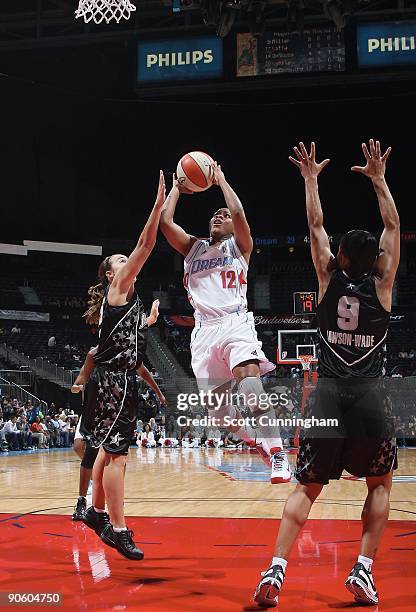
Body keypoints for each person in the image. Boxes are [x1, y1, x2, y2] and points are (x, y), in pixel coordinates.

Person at [254, 140, 400, 608]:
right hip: (371, 399)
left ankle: (275, 571)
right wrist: (378, 179)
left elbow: (315, 224)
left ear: (338, 258)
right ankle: (363, 569)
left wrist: (311, 179)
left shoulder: (325, 280)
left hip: (328, 399)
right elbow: (393, 225)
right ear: (374, 259)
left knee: (305, 488)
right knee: (380, 485)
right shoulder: (383, 287)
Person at [160, 167, 290, 483]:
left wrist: (219, 181)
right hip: (203, 332)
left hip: (234, 323)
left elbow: (238, 211)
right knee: (221, 417)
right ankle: (255, 439)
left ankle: (278, 455)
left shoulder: (240, 247)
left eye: (224, 215)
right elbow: (165, 222)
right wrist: (178, 187)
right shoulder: (194, 248)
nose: (219, 217)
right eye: (215, 215)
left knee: (250, 386)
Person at [78, 171, 165, 561]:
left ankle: (95, 513)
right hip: (115, 381)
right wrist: (160, 203)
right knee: (117, 456)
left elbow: (124, 338)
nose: (127, 260)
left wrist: (148, 321)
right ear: (112, 273)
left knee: (105, 452)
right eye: (120, 259)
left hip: (117, 380)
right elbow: (146, 243)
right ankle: (118, 528)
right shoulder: (119, 286)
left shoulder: (126, 301)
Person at [70, 311, 165, 522]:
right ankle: (85, 496)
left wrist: (158, 392)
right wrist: (77, 386)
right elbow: (82, 376)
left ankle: (91, 500)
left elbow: (144, 371)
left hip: (114, 412)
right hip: (92, 411)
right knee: (79, 447)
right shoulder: (94, 354)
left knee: (98, 455)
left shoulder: (125, 354)